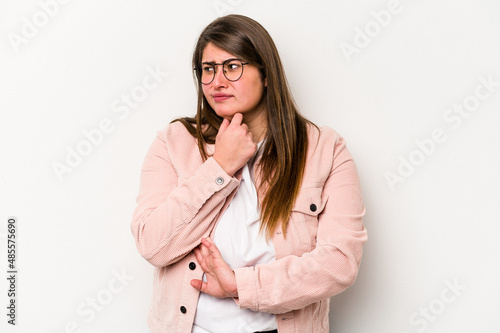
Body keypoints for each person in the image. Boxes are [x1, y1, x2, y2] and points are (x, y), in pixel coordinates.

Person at [131, 14, 367, 333]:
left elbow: (340, 262)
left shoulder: (325, 150)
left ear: (266, 74)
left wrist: (240, 286)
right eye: (208, 69)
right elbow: (152, 244)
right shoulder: (173, 143)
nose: (217, 81)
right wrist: (219, 168)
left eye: (232, 66)